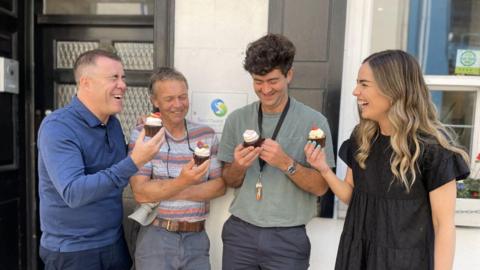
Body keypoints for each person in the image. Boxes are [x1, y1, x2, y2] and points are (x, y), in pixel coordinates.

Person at [304, 50, 470, 270]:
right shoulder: (362, 138)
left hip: (405, 262)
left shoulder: (433, 150)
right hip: (357, 257)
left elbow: (444, 226)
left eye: (364, 84)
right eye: (357, 83)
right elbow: (352, 197)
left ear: (393, 89)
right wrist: (324, 169)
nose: (356, 92)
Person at [37, 49, 164, 270]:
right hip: (74, 252)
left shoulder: (112, 124)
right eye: (113, 78)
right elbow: (74, 192)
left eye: (123, 78)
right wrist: (134, 160)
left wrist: (140, 140)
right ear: (86, 83)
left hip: (114, 243)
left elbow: (117, 168)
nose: (123, 85)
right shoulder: (58, 127)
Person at [217, 33, 336, 269]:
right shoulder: (236, 119)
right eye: (258, 81)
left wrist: (286, 163)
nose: (265, 89)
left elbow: (322, 187)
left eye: (272, 81)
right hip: (240, 234)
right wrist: (239, 166)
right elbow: (229, 180)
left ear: (289, 74)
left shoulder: (315, 122)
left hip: (288, 239)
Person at [129, 67, 226, 270]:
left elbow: (219, 187)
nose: (178, 105)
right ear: (155, 101)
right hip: (156, 237)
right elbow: (140, 192)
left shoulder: (206, 135)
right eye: (169, 99)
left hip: (197, 239)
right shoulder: (143, 134)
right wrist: (185, 182)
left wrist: (166, 189)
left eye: (182, 97)